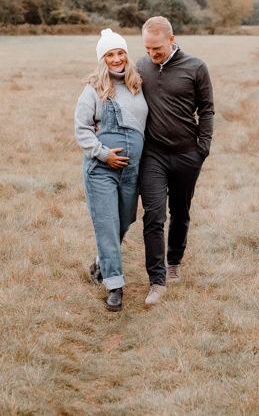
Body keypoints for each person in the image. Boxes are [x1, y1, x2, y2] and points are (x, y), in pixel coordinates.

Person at [136, 16, 214, 306]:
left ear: (171, 40)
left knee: (180, 212)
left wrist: (201, 149)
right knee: (153, 216)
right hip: (152, 155)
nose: (151, 54)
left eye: (156, 48)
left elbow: (207, 111)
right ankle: (157, 281)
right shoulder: (141, 65)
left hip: (186, 155)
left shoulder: (196, 67)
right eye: (147, 48)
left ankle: (174, 263)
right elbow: (120, 97)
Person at [74, 28, 148, 312]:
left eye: (120, 53)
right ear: (101, 58)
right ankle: (114, 286)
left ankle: (100, 262)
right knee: (106, 224)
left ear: (127, 55)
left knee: (124, 221)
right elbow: (82, 130)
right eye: (109, 55)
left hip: (132, 171)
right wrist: (105, 155)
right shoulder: (93, 88)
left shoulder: (137, 85)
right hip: (101, 169)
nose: (116, 59)